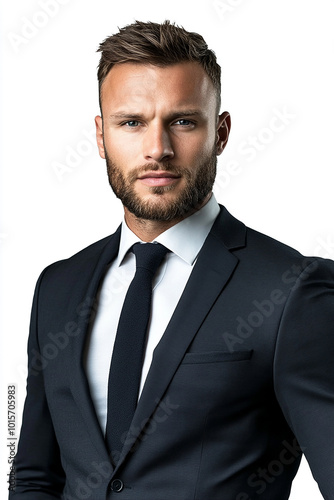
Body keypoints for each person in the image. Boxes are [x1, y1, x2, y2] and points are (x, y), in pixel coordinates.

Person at [9, 20, 334, 500]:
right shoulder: (57, 287)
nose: (157, 149)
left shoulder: (292, 289)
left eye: (182, 121)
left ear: (220, 133)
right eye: (132, 122)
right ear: (101, 137)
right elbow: (35, 476)